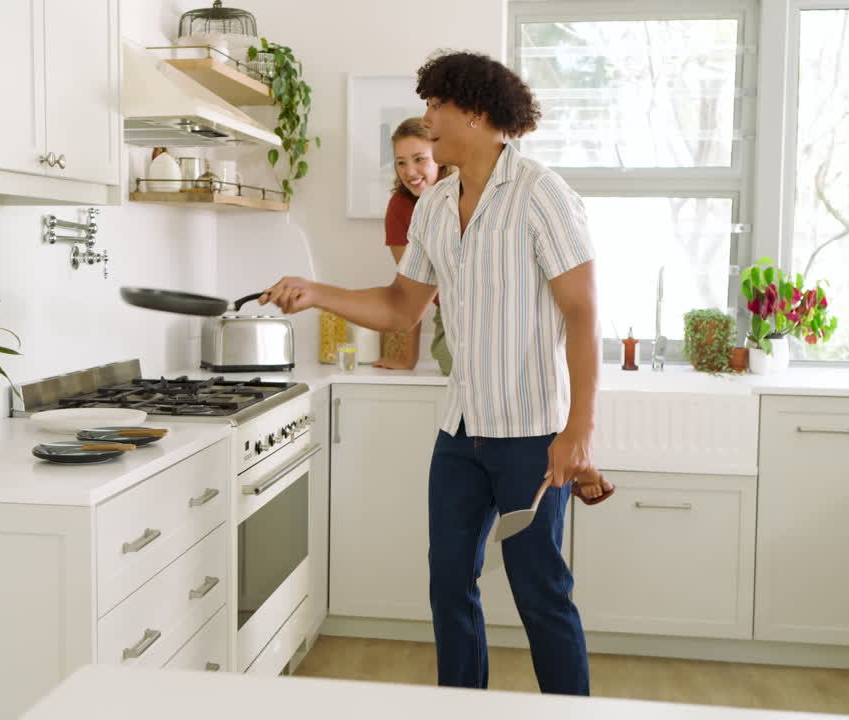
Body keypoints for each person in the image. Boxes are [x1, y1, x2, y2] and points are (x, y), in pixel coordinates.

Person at [260, 50, 615, 695]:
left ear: (474, 114)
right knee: (449, 585)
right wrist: (316, 292)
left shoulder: (543, 196)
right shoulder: (433, 206)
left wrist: (579, 431)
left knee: (541, 592)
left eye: (434, 107)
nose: (426, 121)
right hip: (460, 435)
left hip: (532, 435)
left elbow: (583, 316)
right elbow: (401, 307)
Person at [371, 118, 453, 373]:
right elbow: (411, 287)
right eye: (401, 162)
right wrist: (408, 358)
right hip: (450, 315)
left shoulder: (465, 193)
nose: (409, 172)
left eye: (420, 159)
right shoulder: (400, 207)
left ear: (439, 156)